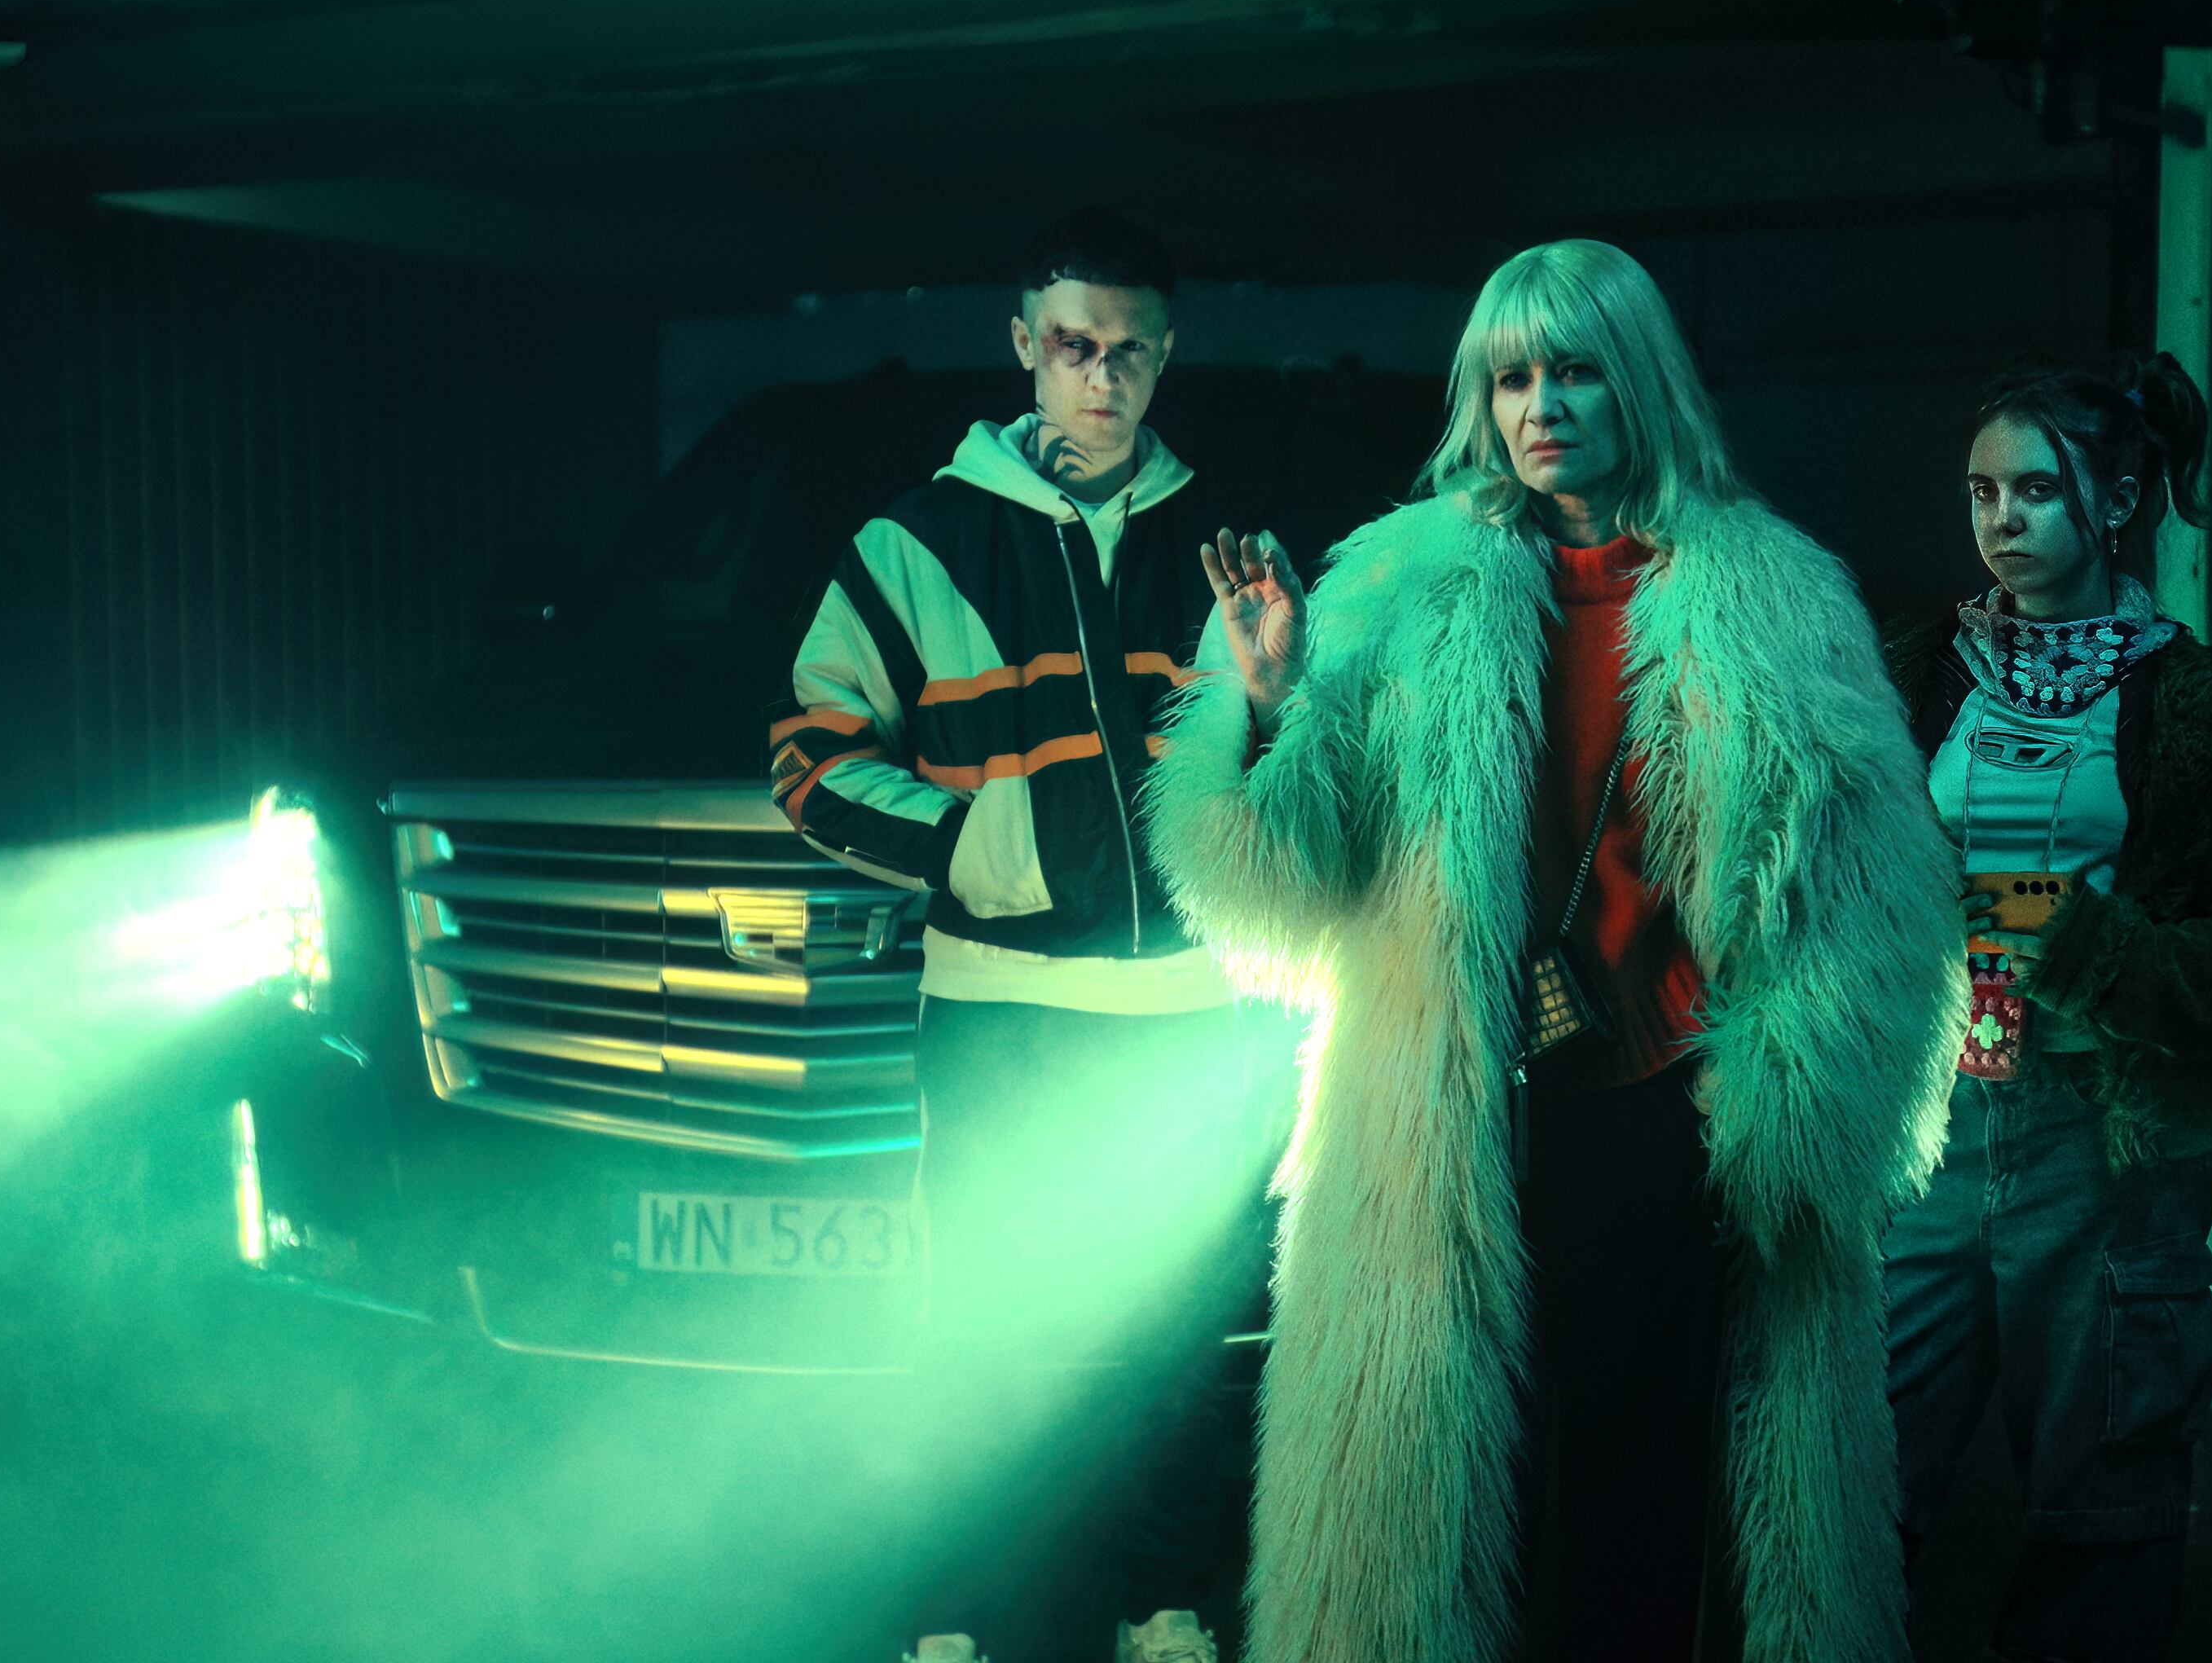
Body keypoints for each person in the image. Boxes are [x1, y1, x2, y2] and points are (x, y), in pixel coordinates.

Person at [1146, 239, 1962, 1662]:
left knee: (1646, 1502)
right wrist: (1272, 705)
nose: (1542, 406)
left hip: (1669, 1113)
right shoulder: (1402, 588)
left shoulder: (1776, 598)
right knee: (1451, 1514)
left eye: (1575, 370)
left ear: (1640, 380)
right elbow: (1296, 873)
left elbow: (1876, 897)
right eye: (1512, 377)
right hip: (1444, 1114)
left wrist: (1771, 1096)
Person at [767, 208, 1258, 1663]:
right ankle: (966, 1621)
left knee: (1182, 1338)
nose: (1101, 377)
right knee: (988, 1324)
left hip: (1189, 1010)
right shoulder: (914, 545)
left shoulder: (1227, 547)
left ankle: (1158, 1608)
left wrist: (1279, 702)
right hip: (1003, 1007)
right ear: (1023, 347)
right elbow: (809, 759)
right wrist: (978, 844)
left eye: (1128, 351)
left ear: (1165, 356)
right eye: (1072, 345)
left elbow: (1299, 772)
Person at [1880, 355, 2212, 1661]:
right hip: (1924, 1129)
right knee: (1852, 1472)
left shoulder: (2207, 713)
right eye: (1982, 492)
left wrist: (2078, 941)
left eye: (2038, 490)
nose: (2002, 520)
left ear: (2119, 502)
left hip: (2104, 1142)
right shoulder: (1911, 674)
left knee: (2100, 1506)